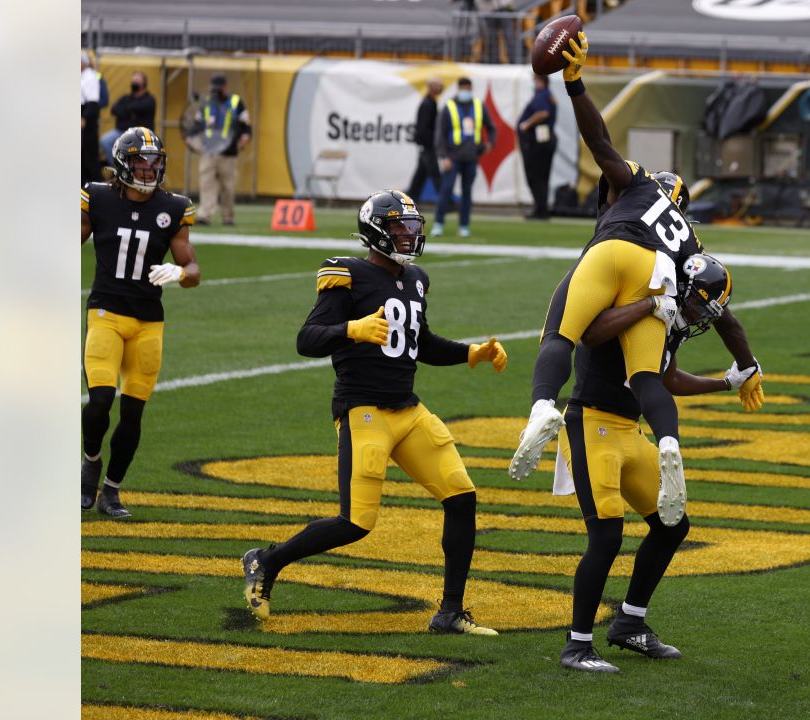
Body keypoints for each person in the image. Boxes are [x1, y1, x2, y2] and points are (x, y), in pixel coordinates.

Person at [508, 31, 764, 532]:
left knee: (563, 333)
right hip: (655, 280)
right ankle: (669, 442)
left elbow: (597, 142)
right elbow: (723, 312)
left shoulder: (637, 186)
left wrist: (575, 84)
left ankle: (542, 406)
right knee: (648, 376)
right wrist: (746, 365)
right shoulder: (688, 238)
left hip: (614, 254)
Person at [240, 190, 508, 635]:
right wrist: (351, 328)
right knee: (356, 523)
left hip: (408, 409)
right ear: (376, 230)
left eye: (412, 227)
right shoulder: (347, 273)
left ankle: (450, 612)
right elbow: (307, 339)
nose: (410, 235)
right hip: (363, 410)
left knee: (462, 498)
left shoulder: (416, 278)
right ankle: (266, 561)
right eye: (401, 227)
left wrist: (471, 353)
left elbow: (419, 342)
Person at [556, 253, 756, 673]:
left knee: (672, 525)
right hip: (591, 424)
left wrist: (724, 383)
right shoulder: (641, 300)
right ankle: (577, 645)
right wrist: (647, 304)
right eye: (700, 305)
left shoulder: (669, 321)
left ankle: (629, 621)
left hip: (629, 429)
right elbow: (590, 332)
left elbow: (666, 378)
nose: (700, 317)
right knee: (607, 537)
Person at [81, 127, 201, 518]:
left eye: (155, 163)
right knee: (99, 401)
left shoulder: (173, 207)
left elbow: (192, 267)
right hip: (106, 314)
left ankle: (111, 491)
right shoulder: (97, 198)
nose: (149, 170)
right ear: (122, 163)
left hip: (148, 322)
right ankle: (91, 463)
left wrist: (180, 274)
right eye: (140, 162)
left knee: (133, 413)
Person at [433, 77, 493, 238]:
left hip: (471, 157)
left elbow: (491, 127)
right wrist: (443, 156)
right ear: (458, 89)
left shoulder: (479, 106)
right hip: (452, 157)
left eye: (468, 88)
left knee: (467, 193)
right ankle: (438, 223)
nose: (465, 91)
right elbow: (440, 134)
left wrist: (489, 144)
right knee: (446, 191)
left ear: (471, 89)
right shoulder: (449, 107)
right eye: (463, 88)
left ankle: (464, 225)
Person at [190, 73, 252, 226]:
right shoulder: (207, 102)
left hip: (229, 152)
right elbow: (197, 124)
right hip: (209, 151)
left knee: (228, 187)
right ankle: (205, 214)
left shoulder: (236, 102)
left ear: (225, 87)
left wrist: (245, 137)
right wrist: (192, 139)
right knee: (206, 183)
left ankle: (227, 216)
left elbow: (246, 125)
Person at [518, 74, 557, 220]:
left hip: (538, 141)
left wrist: (526, 124)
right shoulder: (548, 95)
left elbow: (543, 113)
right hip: (545, 140)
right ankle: (542, 209)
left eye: (535, 80)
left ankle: (539, 210)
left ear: (540, 81)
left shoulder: (541, 95)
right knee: (542, 177)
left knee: (535, 176)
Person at [101, 72, 157, 161]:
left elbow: (140, 108)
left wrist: (126, 110)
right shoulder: (126, 98)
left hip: (140, 134)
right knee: (105, 141)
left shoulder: (149, 99)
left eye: (137, 82)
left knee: (133, 150)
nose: (134, 84)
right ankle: (118, 166)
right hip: (121, 131)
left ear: (144, 84)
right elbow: (114, 110)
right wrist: (130, 111)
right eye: (133, 81)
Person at [406, 78, 443, 203]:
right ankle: (445, 202)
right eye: (437, 85)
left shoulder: (431, 102)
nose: (440, 88)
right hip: (427, 145)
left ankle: (410, 200)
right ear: (431, 87)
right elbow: (423, 128)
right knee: (435, 174)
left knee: (420, 175)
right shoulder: (427, 104)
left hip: (426, 145)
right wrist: (429, 143)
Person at [81, 52, 104, 185]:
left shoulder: (90, 76)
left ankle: (96, 185)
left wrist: (84, 117)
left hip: (87, 118)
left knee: (88, 156)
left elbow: (93, 102)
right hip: (83, 112)